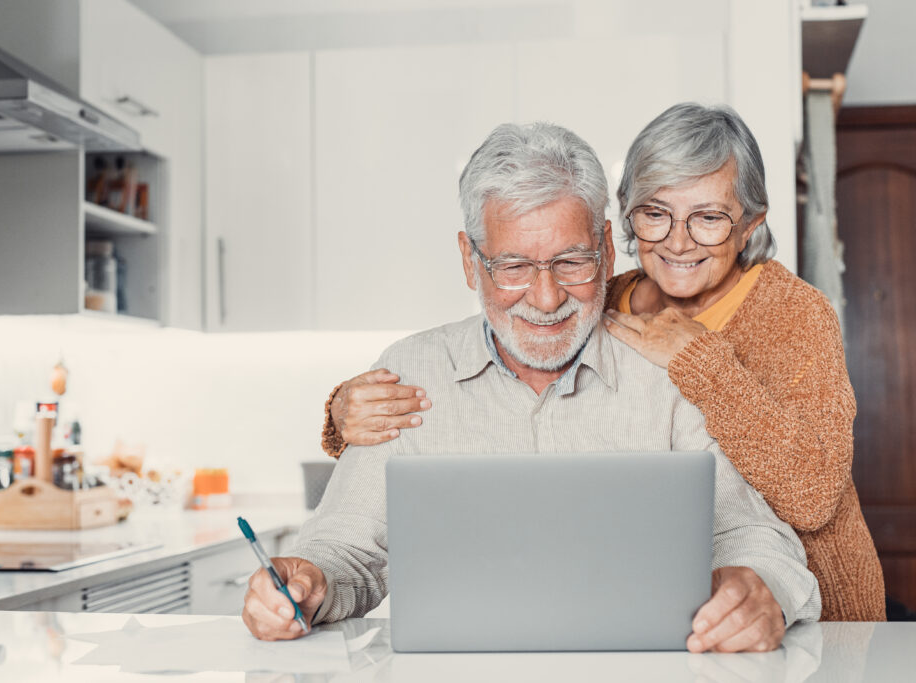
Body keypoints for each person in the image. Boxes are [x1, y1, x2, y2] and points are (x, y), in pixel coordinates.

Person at [243, 121, 820, 650]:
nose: (546, 300)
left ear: (607, 247)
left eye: (572, 262)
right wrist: (305, 581)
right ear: (470, 260)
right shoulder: (411, 370)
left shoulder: (669, 368)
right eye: (514, 267)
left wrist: (759, 587)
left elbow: (755, 537)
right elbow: (346, 550)